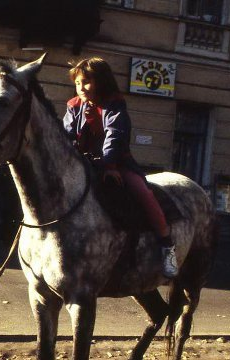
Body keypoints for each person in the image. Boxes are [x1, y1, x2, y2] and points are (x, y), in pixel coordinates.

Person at [63, 57, 179, 278]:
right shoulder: (74, 106)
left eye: (87, 81)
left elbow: (114, 136)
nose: (81, 87)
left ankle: (167, 246)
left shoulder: (114, 103)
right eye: (78, 82)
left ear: (101, 81)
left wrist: (109, 165)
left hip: (116, 162)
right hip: (84, 163)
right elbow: (67, 135)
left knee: (143, 193)